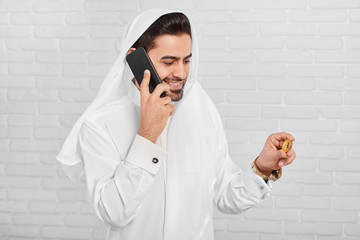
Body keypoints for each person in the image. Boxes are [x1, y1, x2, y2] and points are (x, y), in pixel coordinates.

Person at [57, 9, 296, 240]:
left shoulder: (202, 109)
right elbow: (114, 213)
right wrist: (147, 136)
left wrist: (262, 168)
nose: (181, 73)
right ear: (134, 58)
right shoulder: (99, 125)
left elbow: (226, 197)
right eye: (169, 61)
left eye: (186, 60)